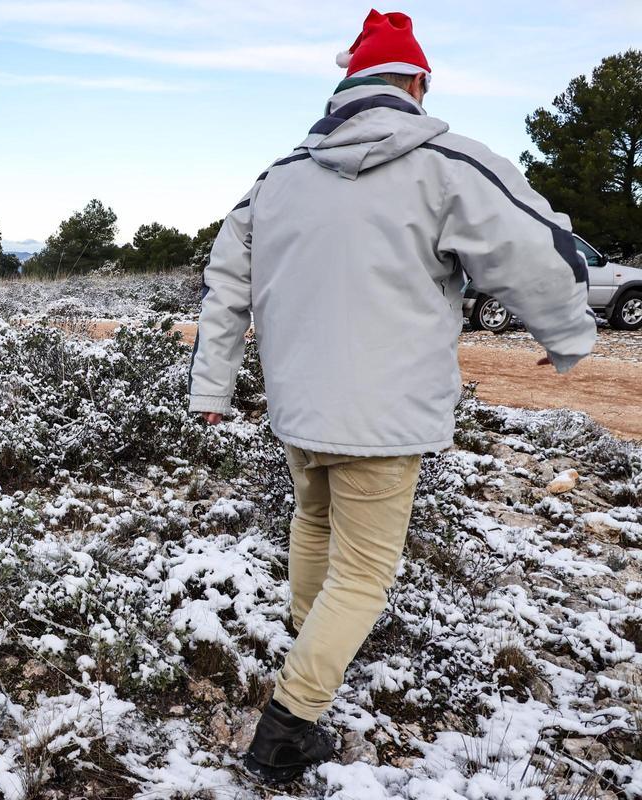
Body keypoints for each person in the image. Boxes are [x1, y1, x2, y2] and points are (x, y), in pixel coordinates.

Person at [187, 8, 596, 785]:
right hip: (384, 416)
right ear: (415, 82)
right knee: (365, 574)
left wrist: (213, 385)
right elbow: (536, 246)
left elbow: (223, 287)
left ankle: (311, 651)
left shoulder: (276, 180)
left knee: (313, 527)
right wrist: (569, 337)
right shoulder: (446, 163)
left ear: (349, 85)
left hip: (298, 409)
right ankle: (288, 726)